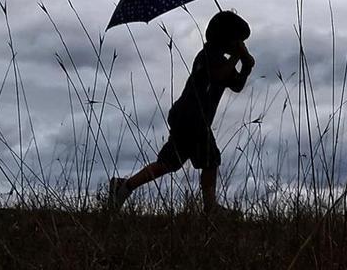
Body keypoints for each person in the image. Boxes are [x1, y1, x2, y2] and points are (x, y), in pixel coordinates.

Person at [108, 11, 255, 214]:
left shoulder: (220, 58)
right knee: (210, 159)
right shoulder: (209, 56)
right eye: (237, 39)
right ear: (226, 38)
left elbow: (236, 85)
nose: (239, 44)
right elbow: (217, 75)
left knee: (169, 162)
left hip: (188, 118)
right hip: (192, 118)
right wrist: (239, 57)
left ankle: (125, 186)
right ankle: (210, 206)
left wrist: (246, 67)